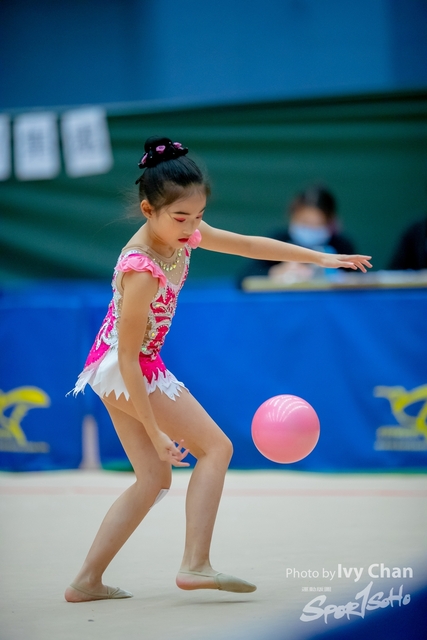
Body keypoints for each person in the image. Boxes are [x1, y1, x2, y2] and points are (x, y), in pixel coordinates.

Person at [65, 137, 372, 602]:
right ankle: (195, 564)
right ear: (148, 210)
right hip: (125, 366)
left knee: (153, 480)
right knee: (216, 448)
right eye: (181, 218)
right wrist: (154, 431)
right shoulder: (141, 269)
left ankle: (86, 581)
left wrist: (322, 258)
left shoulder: (183, 231)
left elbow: (248, 244)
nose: (192, 228)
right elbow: (127, 359)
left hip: (126, 363)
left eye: (199, 216)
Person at [238, 185, 356, 284]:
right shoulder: (278, 239)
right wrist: (276, 271)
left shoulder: (341, 245)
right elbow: (243, 279)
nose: (310, 228)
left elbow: (359, 279)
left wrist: (334, 275)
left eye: (318, 223)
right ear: (293, 216)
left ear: (330, 222)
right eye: (304, 222)